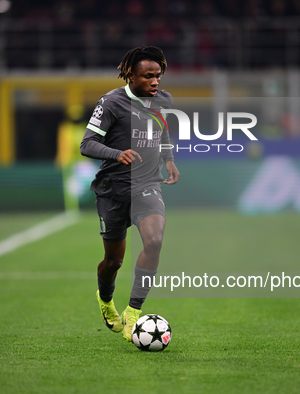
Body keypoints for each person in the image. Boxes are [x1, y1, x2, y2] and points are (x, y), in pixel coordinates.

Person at [80, 46, 180, 342]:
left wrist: (169, 160)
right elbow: (86, 144)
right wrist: (116, 153)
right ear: (131, 76)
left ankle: (134, 311)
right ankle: (105, 298)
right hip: (113, 189)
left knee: (155, 241)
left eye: (158, 76)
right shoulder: (110, 103)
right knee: (113, 262)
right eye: (148, 76)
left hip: (147, 184)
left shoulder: (163, 100)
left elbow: (163, 133)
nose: (155, 81)